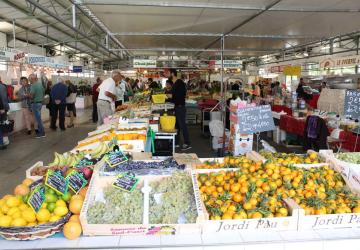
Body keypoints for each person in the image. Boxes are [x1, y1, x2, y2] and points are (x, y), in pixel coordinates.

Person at [169, 69, 191, 151]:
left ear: (172, 74)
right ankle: (177, 142)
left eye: (167, 73)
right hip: (177, 106)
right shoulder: (176, 83)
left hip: (180, 107)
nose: (165, 74)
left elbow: (180, 96)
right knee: (177, 125)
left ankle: (187, 143)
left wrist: (170, 97)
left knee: (182, 125)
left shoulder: (180, 83)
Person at [29, 73, 45, 138]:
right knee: (39, 119)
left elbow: (32, 96)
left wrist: (27, 95)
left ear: (32, 79)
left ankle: (42, 133)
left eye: (29, 79)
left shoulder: (33, 85)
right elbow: (43, 93)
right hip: (40, 103)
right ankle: (41, 132)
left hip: (35, 104)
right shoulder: (40, 84)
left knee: (38, 120)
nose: (29, 80)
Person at [0, 79, 10, 149]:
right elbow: (6, 97)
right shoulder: (3, 86)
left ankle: (4, 141)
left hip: (2, 108)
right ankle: (5, 141)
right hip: (3, 108)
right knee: (4, 124)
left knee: (3, 125)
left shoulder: (2, 86)